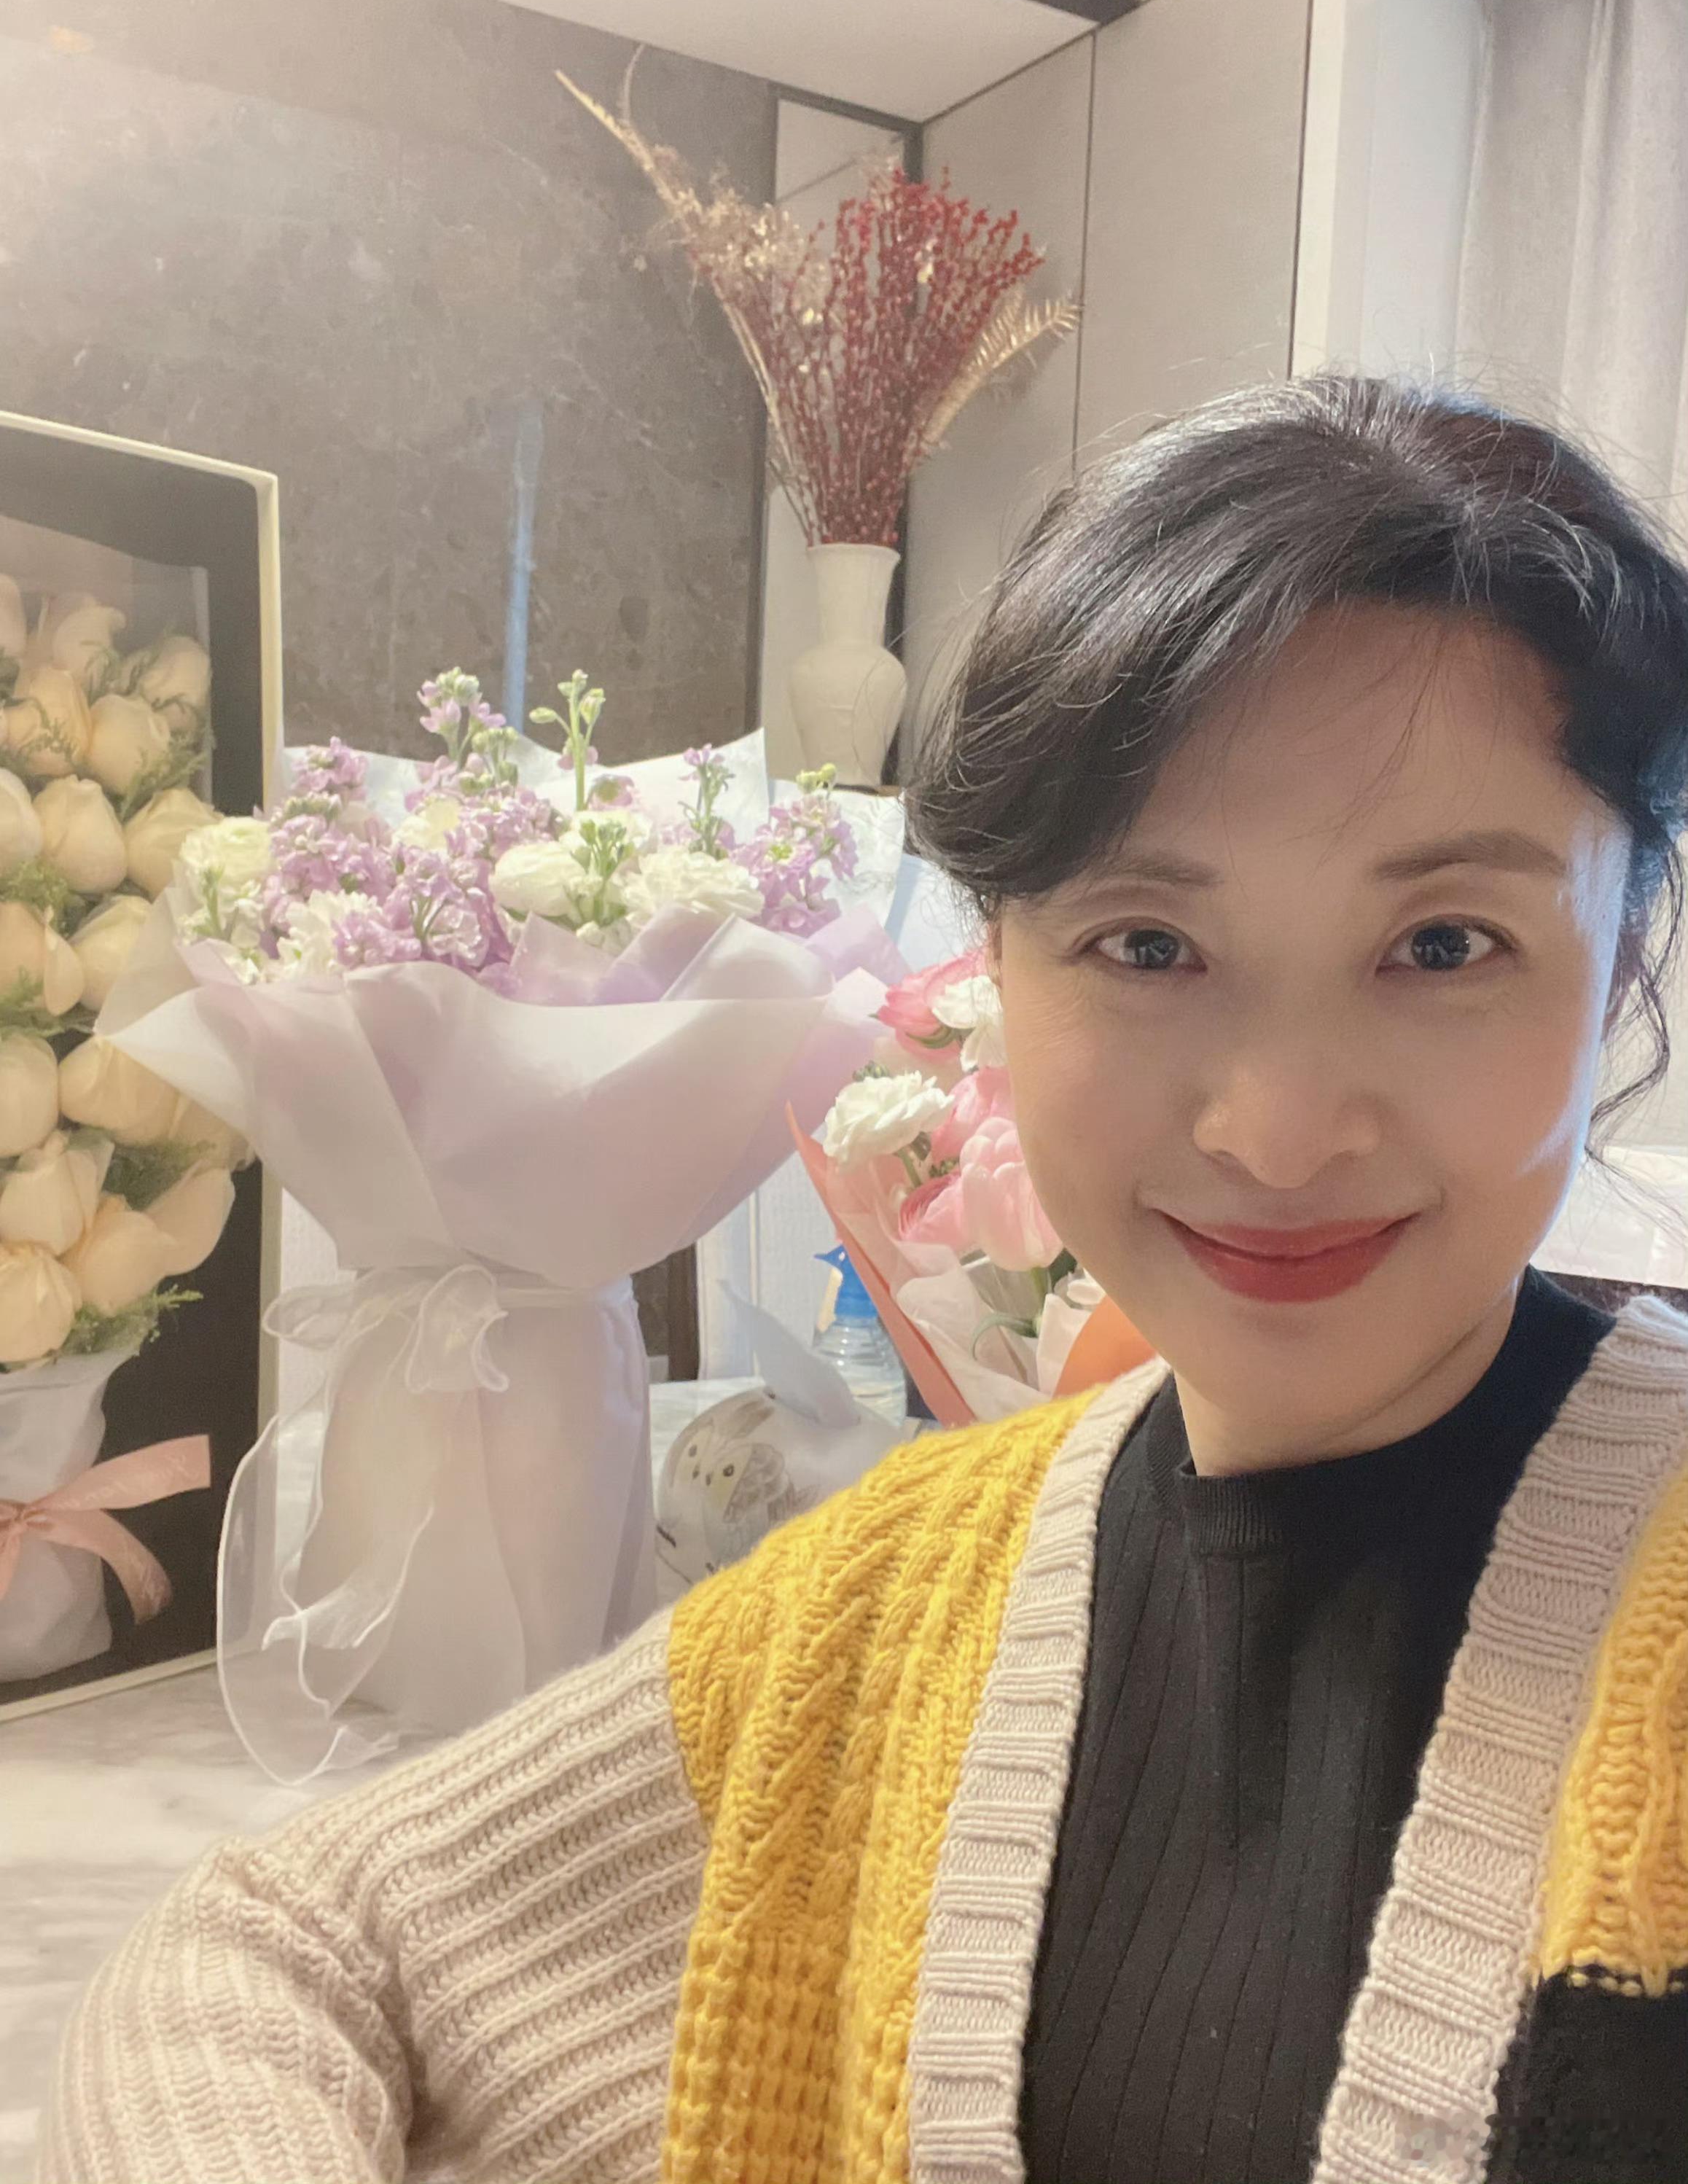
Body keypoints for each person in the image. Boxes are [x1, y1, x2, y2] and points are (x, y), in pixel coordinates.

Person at [36, 375, 1688, 2184]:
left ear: (1620, 959)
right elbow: (287, 1936)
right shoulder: (896, 1605)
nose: (1280, 1131)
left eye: (1444, 943)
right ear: (1000, 966)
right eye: (1149, 943)